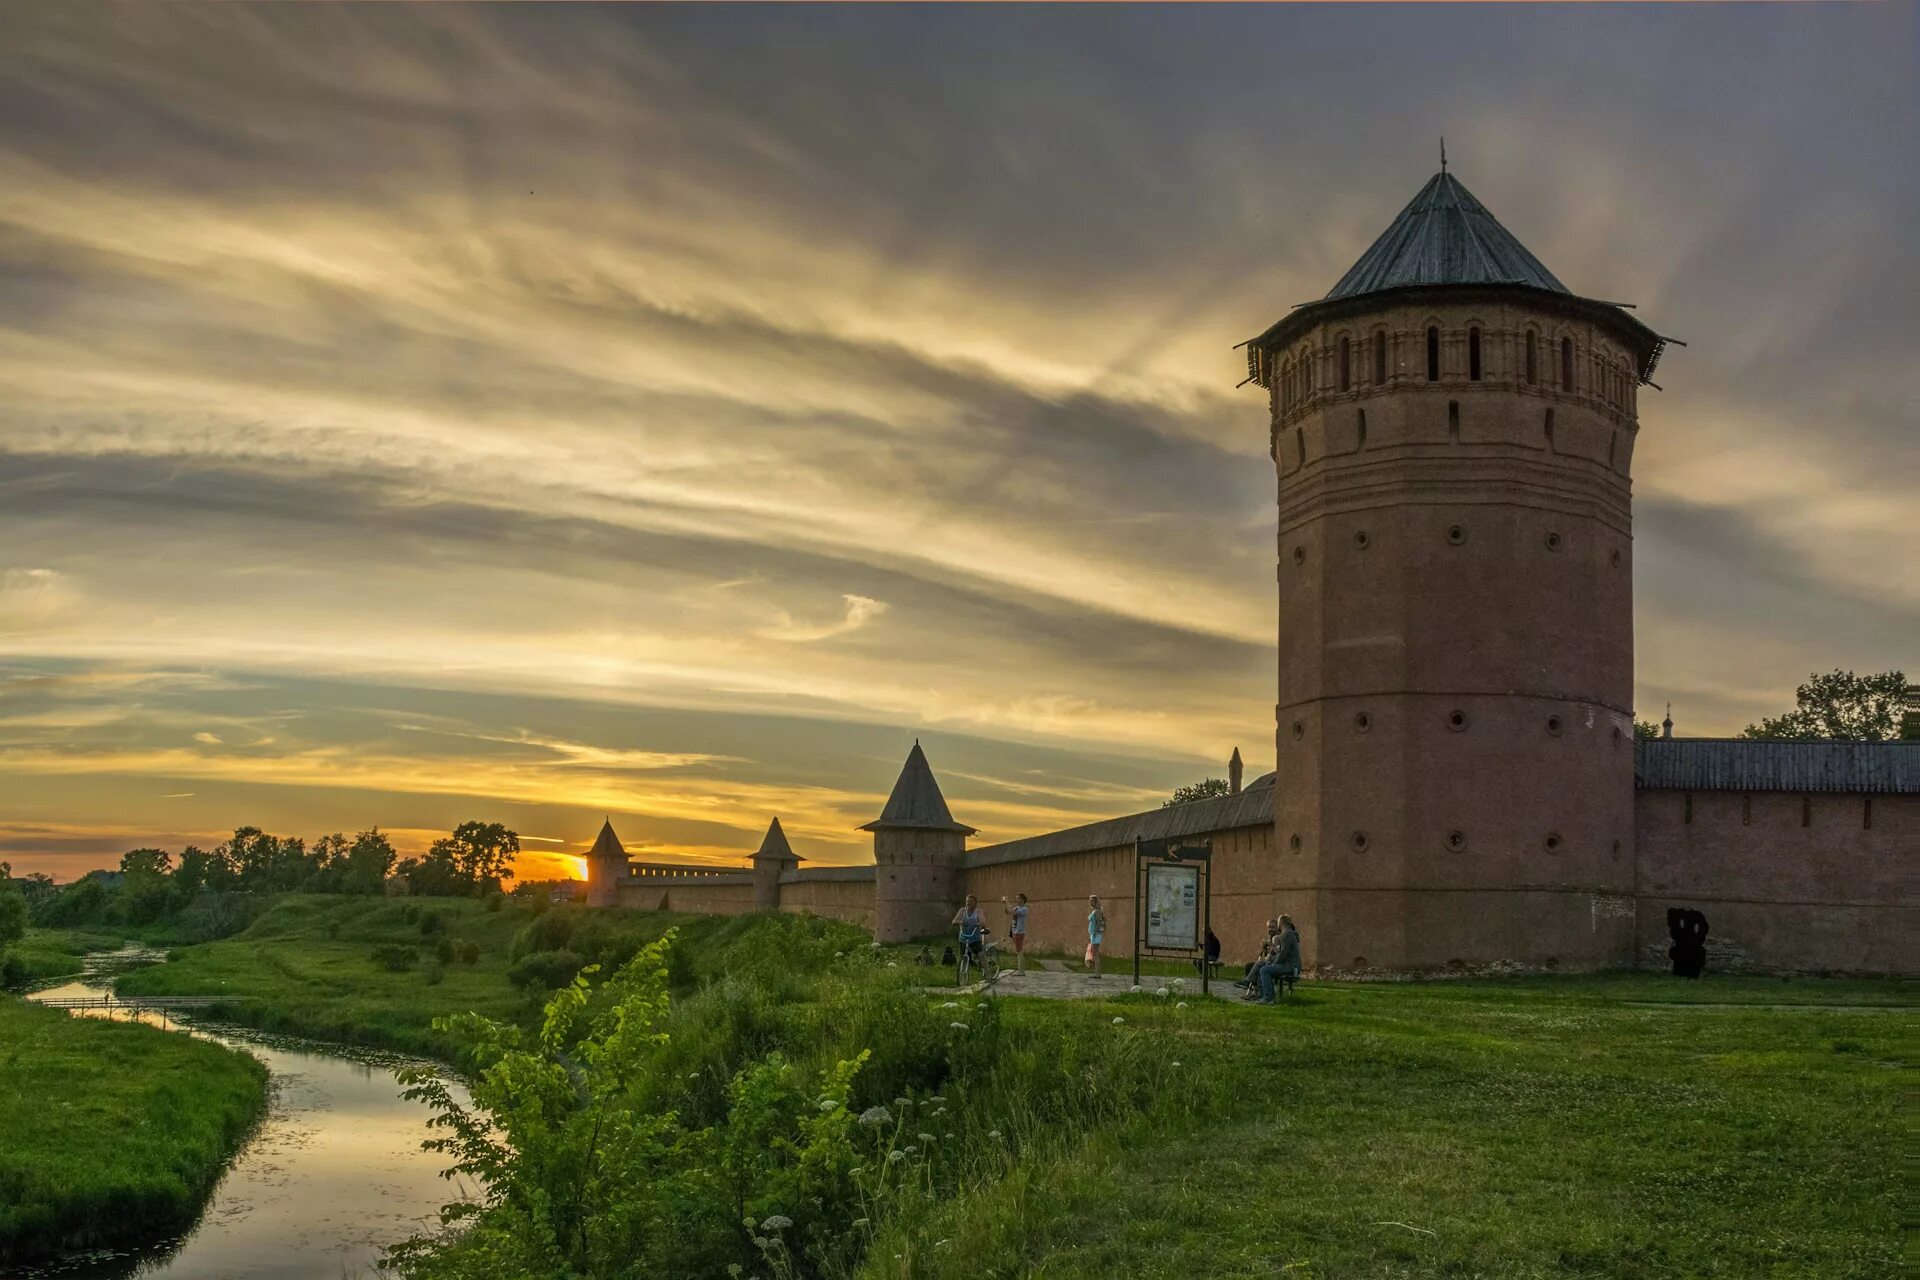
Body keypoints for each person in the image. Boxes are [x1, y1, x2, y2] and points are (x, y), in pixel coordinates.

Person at [1255, 915, 1302, 1005]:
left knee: (1264, 970)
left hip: (1291, 966)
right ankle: (1264, 996)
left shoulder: (1287, 934)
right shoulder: (1290, 934)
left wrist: (1274, 964)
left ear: (1281, 923)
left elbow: (1283, 953)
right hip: (1290, 965)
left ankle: (1268, 998)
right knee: (1264, 967)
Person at [952, 894, 986, 977]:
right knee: (963, 956)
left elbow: (983, 923)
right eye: (967, 901)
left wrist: (978, 924)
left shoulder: (978, 912)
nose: (968, 903)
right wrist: (960, 922)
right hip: (963, 937)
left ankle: (987, 974)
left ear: (975, 903)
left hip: (974, 938)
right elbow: (954, 921)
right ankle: (963, 974)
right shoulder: (962, 911)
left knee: (981, 956)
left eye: (971, 902)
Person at [1002, 893, 1030, 975]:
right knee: (1018, 951)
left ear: (1023, 900)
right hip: (1014, 931)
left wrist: (1007, 902)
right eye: (1016, 898)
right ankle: (1020, 970)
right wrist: (1004, 904)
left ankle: (1021, 971)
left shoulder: (1024, 909)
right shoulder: (1017, 908)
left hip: (1019, 932)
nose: (1016, 900)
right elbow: (1007, 912)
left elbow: (1013, 913)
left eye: (1018, 898)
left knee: (1019, 951)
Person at [1085, 893, 1107, 977]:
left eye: (1092, 901)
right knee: (1094, 953)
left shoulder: (1097, 911)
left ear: (1096, 902)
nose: (1090, 903)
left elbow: (1098, 923)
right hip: (1093, 934)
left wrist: (1094, 933)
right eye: (1090, 901)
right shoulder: (1094, 911)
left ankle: (1097, 973)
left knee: (1095, 953)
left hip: (1096, 934)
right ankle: (1096, 972)